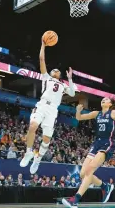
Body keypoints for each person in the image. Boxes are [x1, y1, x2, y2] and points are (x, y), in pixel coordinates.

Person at [62, 98, 115, 208]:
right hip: (96, 144)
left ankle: (75, 199)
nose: (103, 100)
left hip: (107, 143)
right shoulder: (96, 113)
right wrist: (78, 111)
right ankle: (105, 186)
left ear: (110, 104)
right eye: (102, 99)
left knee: (89, 171)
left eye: (106, 100)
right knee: (83, 174)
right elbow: (78, 118)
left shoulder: (114, 113)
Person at [20, 38, 76, 174]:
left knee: (46, 139)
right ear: (51, 73)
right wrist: (43, 45)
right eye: (54, 70)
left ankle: (38, 159)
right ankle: (28, 153)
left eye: (57, 70)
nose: (55, 70)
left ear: (59, 74)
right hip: (42, 105)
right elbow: (41, 60)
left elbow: (73, 94)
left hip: (52, 111)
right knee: (33, 126)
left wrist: (69, 79)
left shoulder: (63, 85)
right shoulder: (46, 78)